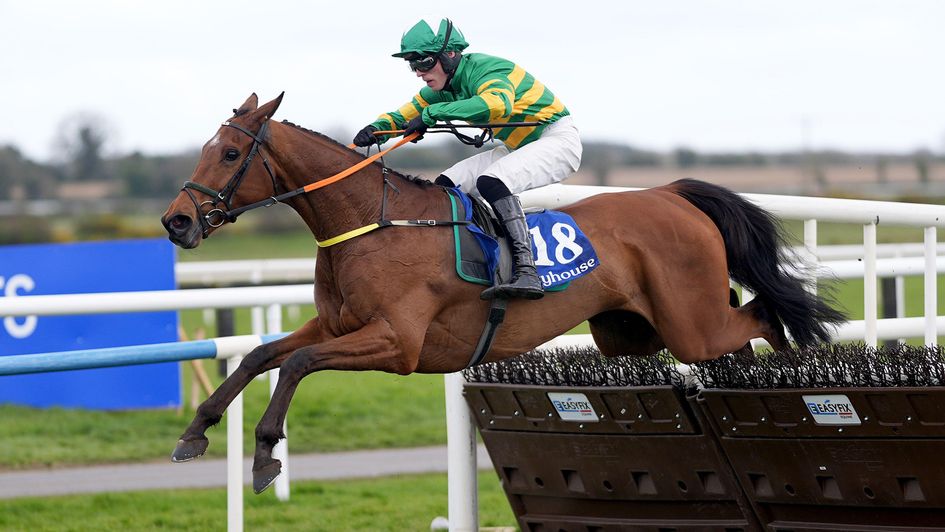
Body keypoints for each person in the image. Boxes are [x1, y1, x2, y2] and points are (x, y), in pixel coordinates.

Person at [353, 18, 582, 300]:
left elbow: (498, 104)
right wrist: (377, 129)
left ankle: (527, 271)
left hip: (556, 140)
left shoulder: (489, 69)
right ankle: (475, 263)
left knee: (491, 181)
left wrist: (432, 114)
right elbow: (405, 114)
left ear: (449, 55)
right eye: (412, 65)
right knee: (447, 185)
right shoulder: (441, 89)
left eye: (423, 63)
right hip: (517, 148)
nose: (418, 72)